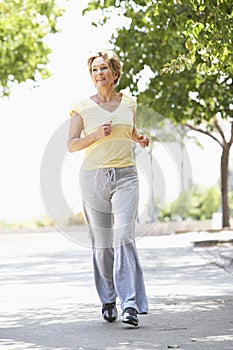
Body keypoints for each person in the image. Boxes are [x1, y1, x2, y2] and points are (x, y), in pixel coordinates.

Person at [67, 50, 149, 327]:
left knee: (123, 236)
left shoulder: (129, 102)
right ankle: (107, 299)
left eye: (104, 68)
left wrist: (140, 138)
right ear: (91, 77)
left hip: (126, 176)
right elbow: (71, 144)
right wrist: (93, 136)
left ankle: (130, 305)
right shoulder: (82, 107)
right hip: (93, 178)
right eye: (94, 70)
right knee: (102, 244)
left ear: (115, 73)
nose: (99, 73)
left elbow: (130, 131)